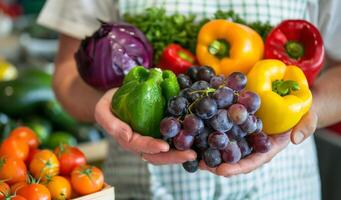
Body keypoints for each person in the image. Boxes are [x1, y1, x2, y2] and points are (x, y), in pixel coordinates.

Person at [38, 0, 341, 199]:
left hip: (283, 187)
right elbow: (67, 77)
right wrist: (113, 104)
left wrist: (303, 111)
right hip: (139, 184)